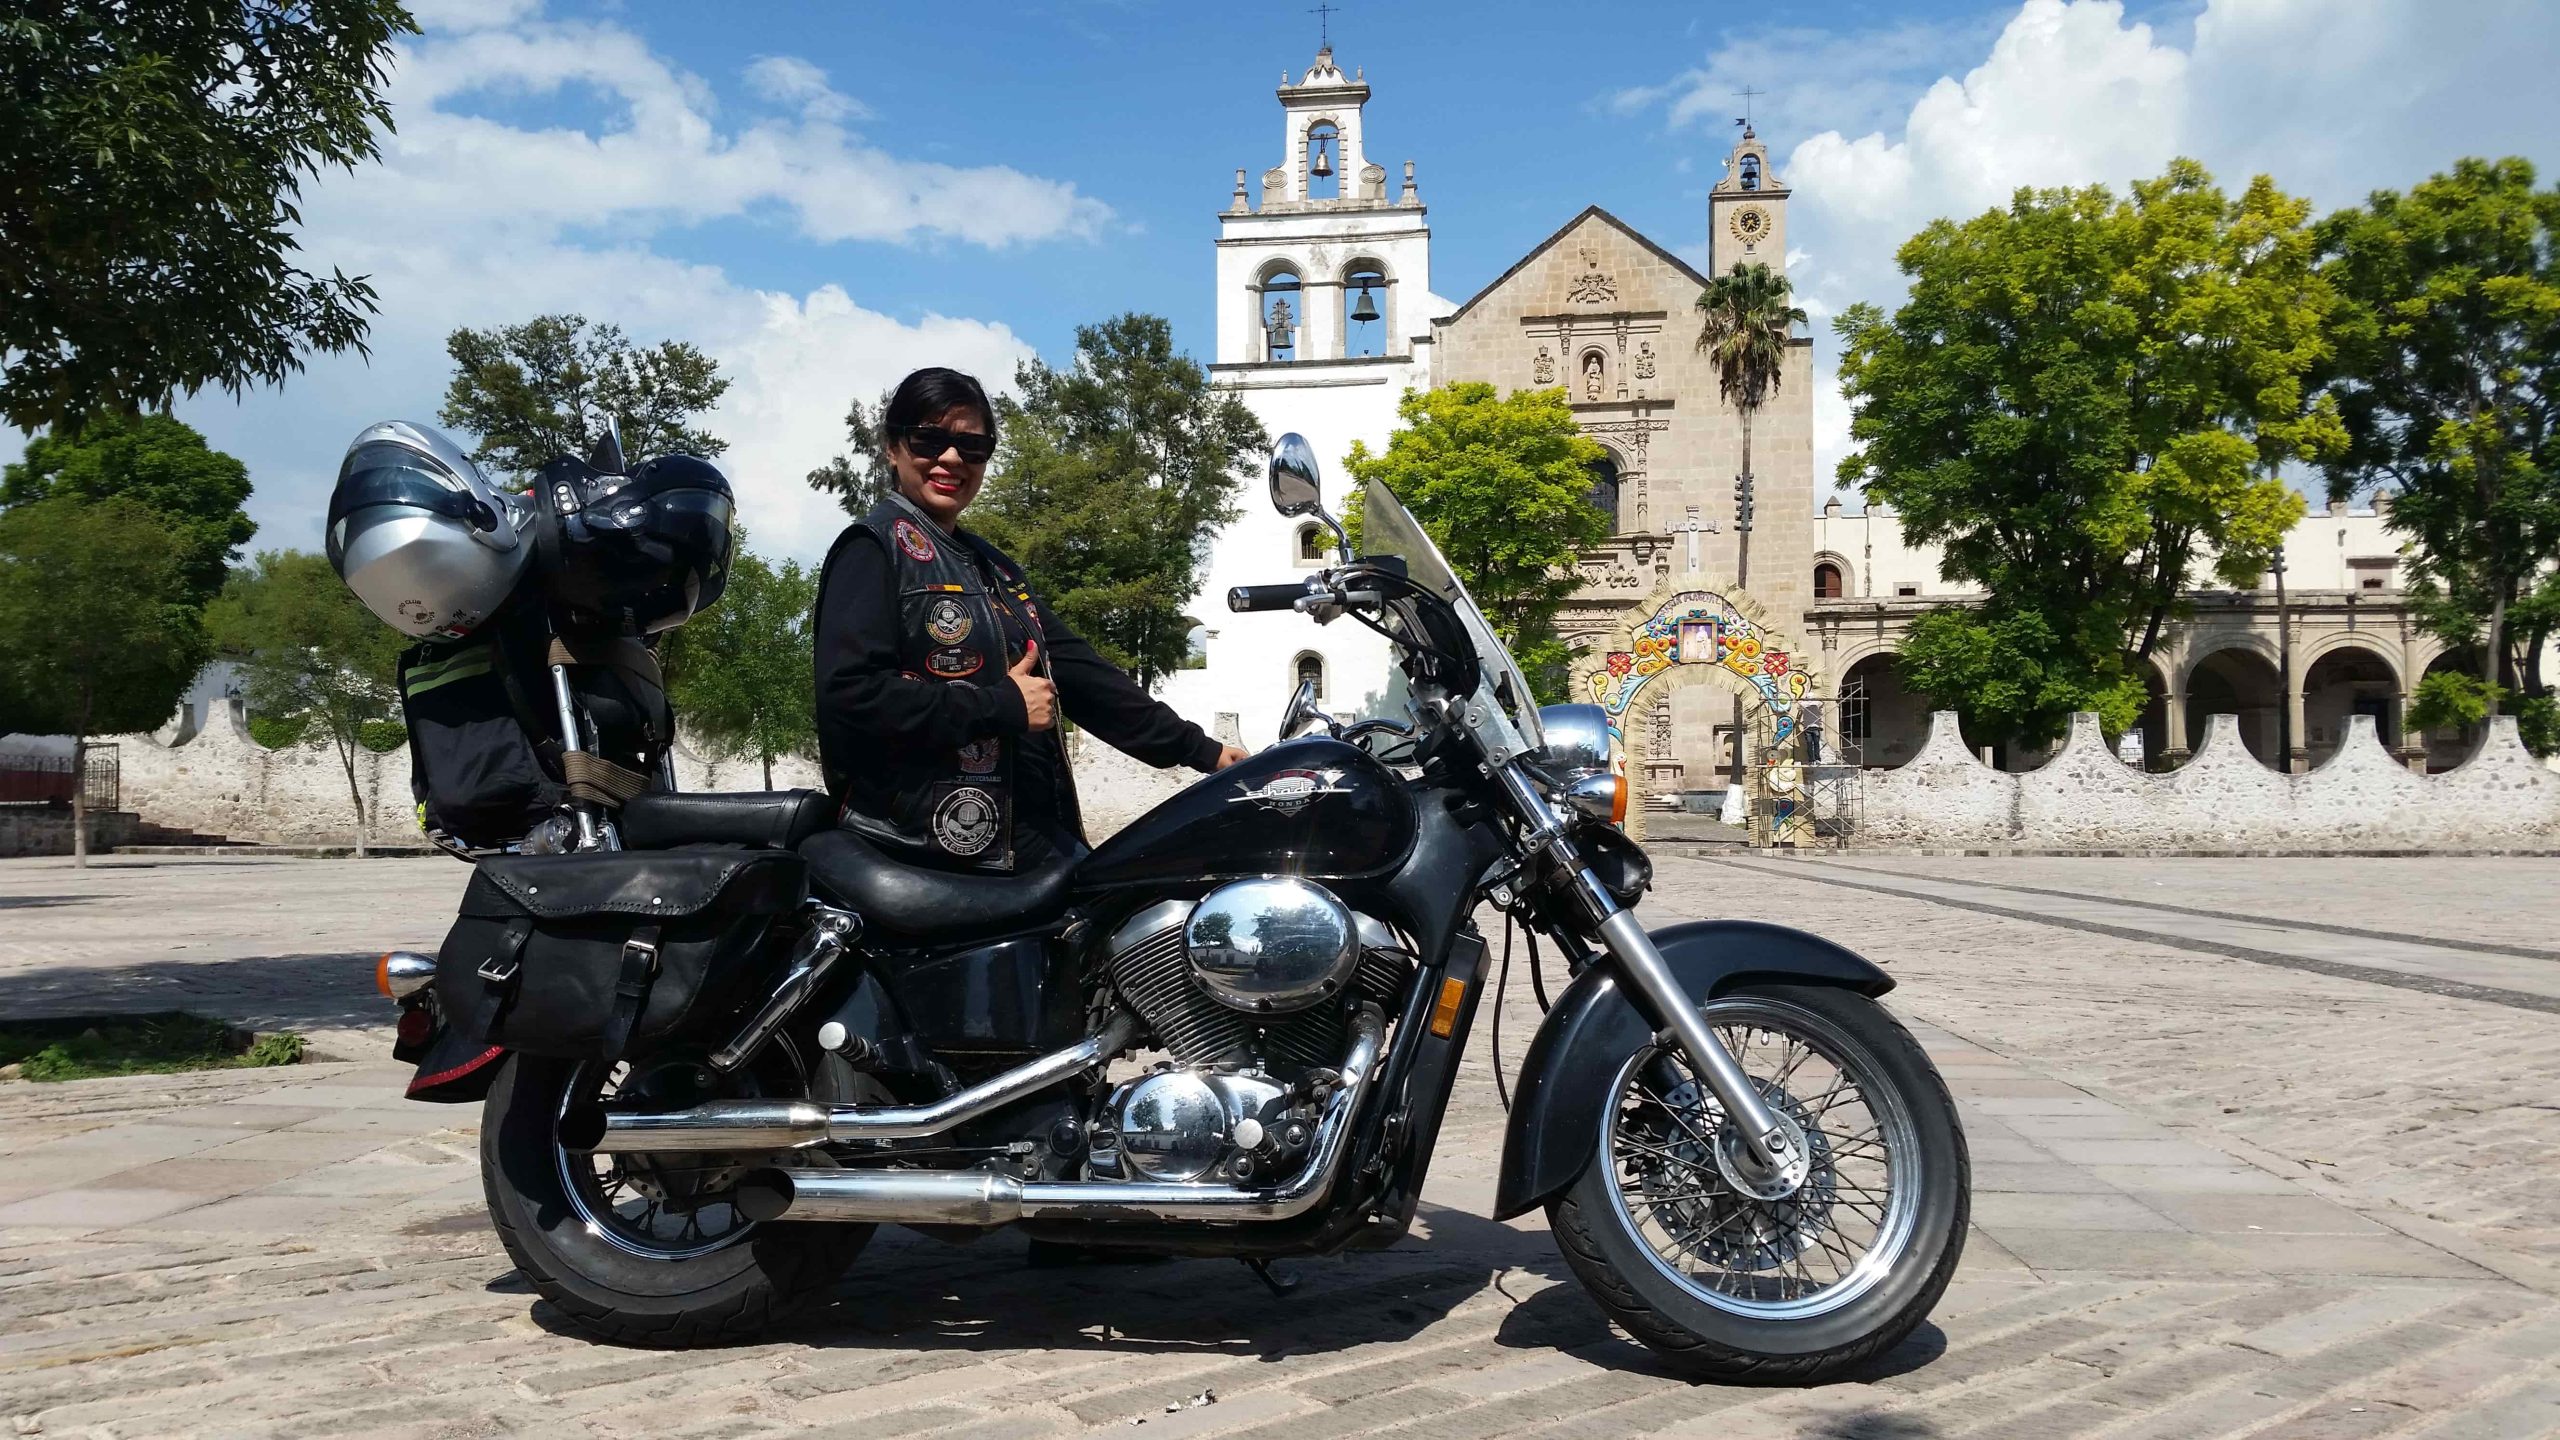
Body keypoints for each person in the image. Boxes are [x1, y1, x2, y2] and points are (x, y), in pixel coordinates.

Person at [814, 367, 1248, 873]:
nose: (951, 458)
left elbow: (1081, 675)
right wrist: (998, 705)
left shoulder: (991, 567)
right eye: (929, 440)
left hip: (1023, 838)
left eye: (972, 446)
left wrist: (1206, 752)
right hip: (925, 850)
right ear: (893, 448)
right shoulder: (872, 549)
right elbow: (851, 697)